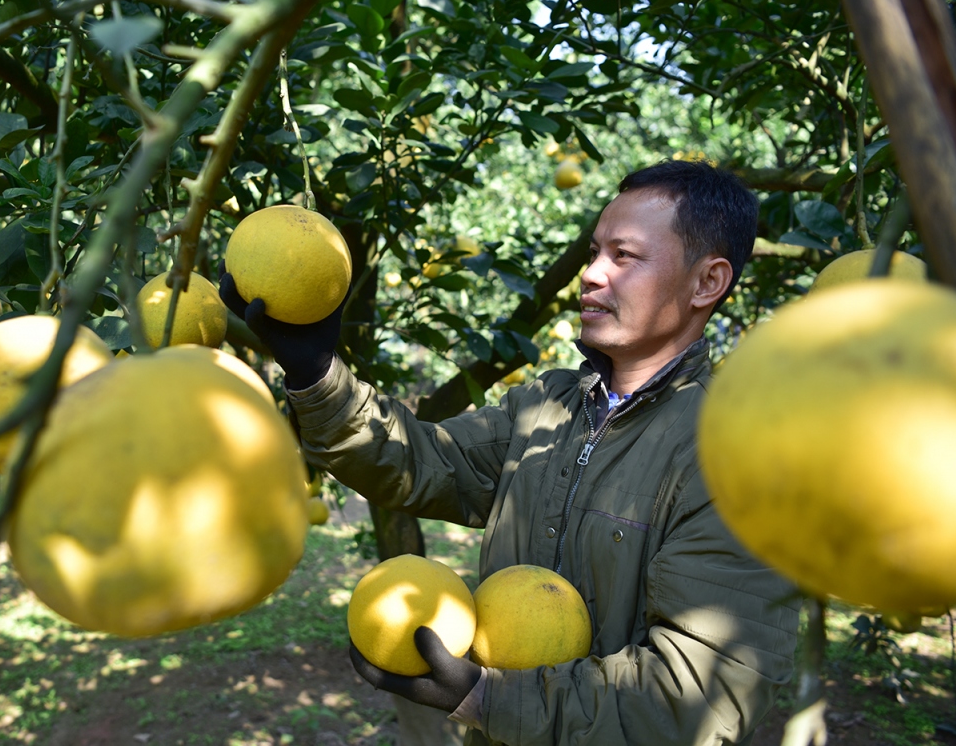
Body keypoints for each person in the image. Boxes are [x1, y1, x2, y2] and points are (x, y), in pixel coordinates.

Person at [220, 160, 801, 746]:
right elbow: (420, 461)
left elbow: (698, 699)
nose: (591, 274)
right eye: (594, 251)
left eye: (624, 256)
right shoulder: (548, 406)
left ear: (707, 282)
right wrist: (314, 371)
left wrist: (485, 697)